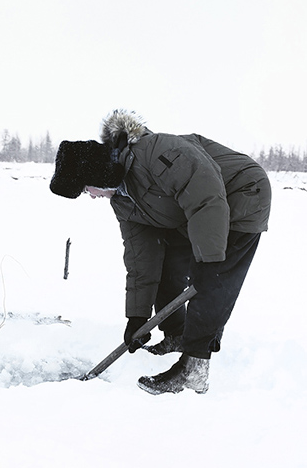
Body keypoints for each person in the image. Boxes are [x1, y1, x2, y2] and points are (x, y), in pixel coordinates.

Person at [50, 109, 271, 395]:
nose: (91, 196)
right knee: (167, 267)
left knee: (212, 279)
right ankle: (178, 335)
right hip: (192, 212)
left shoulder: (156, 153)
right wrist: (137, 317)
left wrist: (209, 259)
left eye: (86, 190)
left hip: (242, 194)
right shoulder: (123, 201)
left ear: (96, 175)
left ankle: (194, 368)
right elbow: (142, 258)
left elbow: (205, 194)